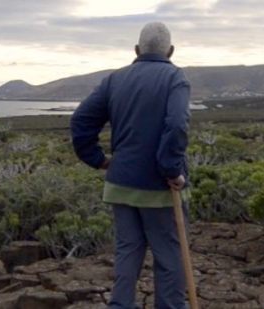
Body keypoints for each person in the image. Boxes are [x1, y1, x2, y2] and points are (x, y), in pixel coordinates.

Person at [70, 22, 191, 309]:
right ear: (171, 51)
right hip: (161, 188)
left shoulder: (115, 79)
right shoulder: (175, 78)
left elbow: (80, 121)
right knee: (169, 255)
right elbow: (176, 124)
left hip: (120, 183)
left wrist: (98, 159)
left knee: (127, 250)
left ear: (136, 50)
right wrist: (172, 169)